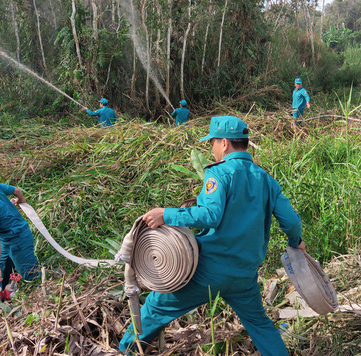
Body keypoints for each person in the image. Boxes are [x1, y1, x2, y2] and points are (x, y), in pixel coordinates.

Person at [119, 116, 305, 356]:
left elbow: (210, 215)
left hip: (206, 272)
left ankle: (123, 351)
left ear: (224, 143)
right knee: (260, 326)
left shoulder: (219, 173)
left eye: (213, 142)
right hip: (244, 276)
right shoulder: (266, 179)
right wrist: (296, 242)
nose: (212, 148)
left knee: (155, 308)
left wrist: (166, 214)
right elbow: (290, 220)